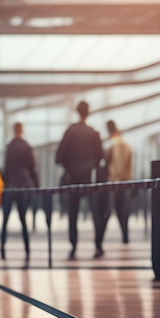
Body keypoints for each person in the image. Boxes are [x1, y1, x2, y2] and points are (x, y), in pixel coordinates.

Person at [55, 100, 104, 260]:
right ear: (88, 113)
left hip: (73, 177)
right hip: (89, 178)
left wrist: (70, 168)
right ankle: (97, 244)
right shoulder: (93, 133)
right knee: (95, 212)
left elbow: (59, 157)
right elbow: (101, 157)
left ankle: (74, 243)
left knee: (73, 213)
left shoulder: (70, 132)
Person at [0, 122, 39, 262]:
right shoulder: (27, 147)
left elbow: (6, 168)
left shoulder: (10, 147)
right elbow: (32, 168)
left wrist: (4, 184)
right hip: (23, 185)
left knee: (5, 220)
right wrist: (36, 185)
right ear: (22, 131)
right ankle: (27, 249)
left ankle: (2, 249)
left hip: (10, 186)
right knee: (23, 220)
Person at [100, 120, 133, 243]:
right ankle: (125, 238)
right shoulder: (126, 145)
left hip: (115, 183)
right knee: (123, 213)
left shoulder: (115, 145)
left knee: (107, 212)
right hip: (126, 182)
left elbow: (117, 166)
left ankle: (99, 241)